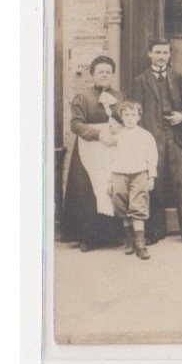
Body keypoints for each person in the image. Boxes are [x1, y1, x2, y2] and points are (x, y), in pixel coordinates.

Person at [131, 37, 182, 248]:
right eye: (157, 52)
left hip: (176, 138)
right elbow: (136, 112)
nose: (161, 56)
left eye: (165, 52)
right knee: (155, 185)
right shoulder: (140, 81)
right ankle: (155, 231)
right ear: (149, 54)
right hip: (152, 139)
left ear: (169, 54)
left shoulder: (177, 77)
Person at [61, 55, 123, 251]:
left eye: (108, 72)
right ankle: (86, 238)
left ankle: (109, 237)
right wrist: (98, 134)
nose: (104, 75)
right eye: (100, 72)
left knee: (108, 188)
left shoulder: (118, 96)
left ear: (112, 74)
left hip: (111, 149)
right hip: (88, 149)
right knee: (86, 193)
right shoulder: (83, 97)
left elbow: (126, 117)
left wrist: (119, 126)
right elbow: (76, 125)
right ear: (93, 74)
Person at [109, 100, 158, 261]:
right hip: (119, 174)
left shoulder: (145, 136)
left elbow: (152, 157)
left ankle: (140, 243)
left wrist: (151, 176)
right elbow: (110, 159)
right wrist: (110, 181)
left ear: (139, 117)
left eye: (133, 115)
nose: (130, 118)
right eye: (126, 114)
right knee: (121, 205)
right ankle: (129, 240)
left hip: (139, 173)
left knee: (138, 206)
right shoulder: (116, 136)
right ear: (121, 117)